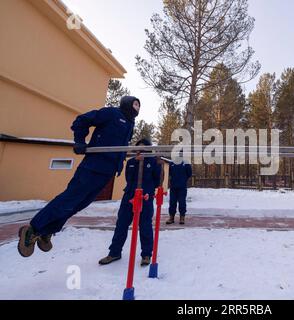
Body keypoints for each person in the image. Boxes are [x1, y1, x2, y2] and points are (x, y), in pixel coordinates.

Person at [18, 96, 141, 258]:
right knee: (70, 199)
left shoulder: (130, 124)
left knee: (79, 204)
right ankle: (33, 229)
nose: (137, 108)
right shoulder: (112, 113)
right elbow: (82, 120)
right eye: (135, 104)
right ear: (126, 103)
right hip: (93, 167)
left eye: (139, 106)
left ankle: (47, 231)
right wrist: (80, 141)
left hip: (107, 172)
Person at [99, 138, 161, 266]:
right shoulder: (132, 162)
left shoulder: (154, 162)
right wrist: (138, 164)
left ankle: (146, 254)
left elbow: (156, 180)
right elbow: (129, 178)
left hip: (145, 197)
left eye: (144, 148)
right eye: (139, 148)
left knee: (145, 226)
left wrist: (148, 189)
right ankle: (114, 252)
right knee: (121, 224)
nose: (141, 150)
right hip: (129, 196)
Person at [166, 161, 192, 225]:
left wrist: (183, 179)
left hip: (182, 187)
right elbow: (168, 173)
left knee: (182, 202)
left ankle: (182, 217)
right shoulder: (171, 163)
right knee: (172, 202)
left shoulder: (186, 163)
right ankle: (171, 217)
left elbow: (189, 174)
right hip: (173, 187)